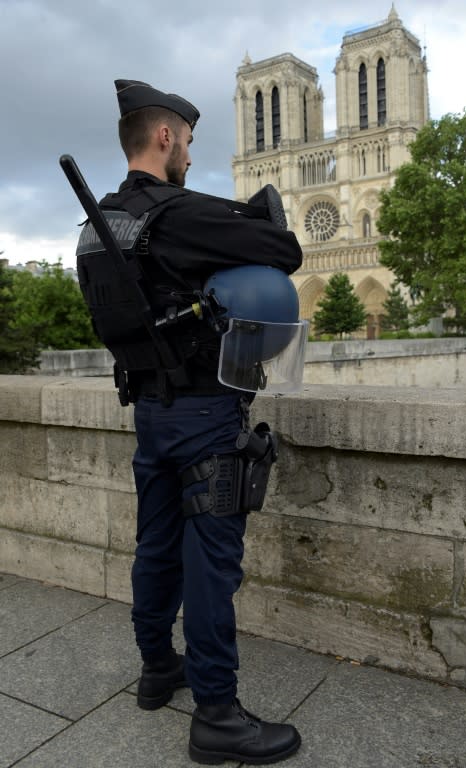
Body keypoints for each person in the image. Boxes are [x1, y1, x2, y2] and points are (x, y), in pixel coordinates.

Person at [91, 79, 303, 764]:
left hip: (149, 411)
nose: (188, 153)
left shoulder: (98, 226)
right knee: (211, 562)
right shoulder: (179, 212)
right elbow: (285, 250)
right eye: (187, 141)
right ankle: (216, 713)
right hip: (207, 413)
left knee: (154, 549)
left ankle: (158, 668)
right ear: (165, 137)